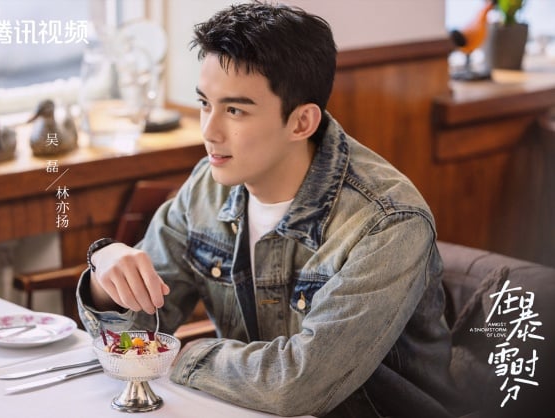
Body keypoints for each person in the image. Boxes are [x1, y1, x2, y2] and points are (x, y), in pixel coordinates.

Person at [77, 2, 459, 417]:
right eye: (205, 103)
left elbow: (295, 386)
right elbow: (135, 337)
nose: (209, 131)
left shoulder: (389, 222)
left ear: (301, 123)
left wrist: (187, 356)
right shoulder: (207, 186)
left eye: (235, 110)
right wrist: (104, 272)